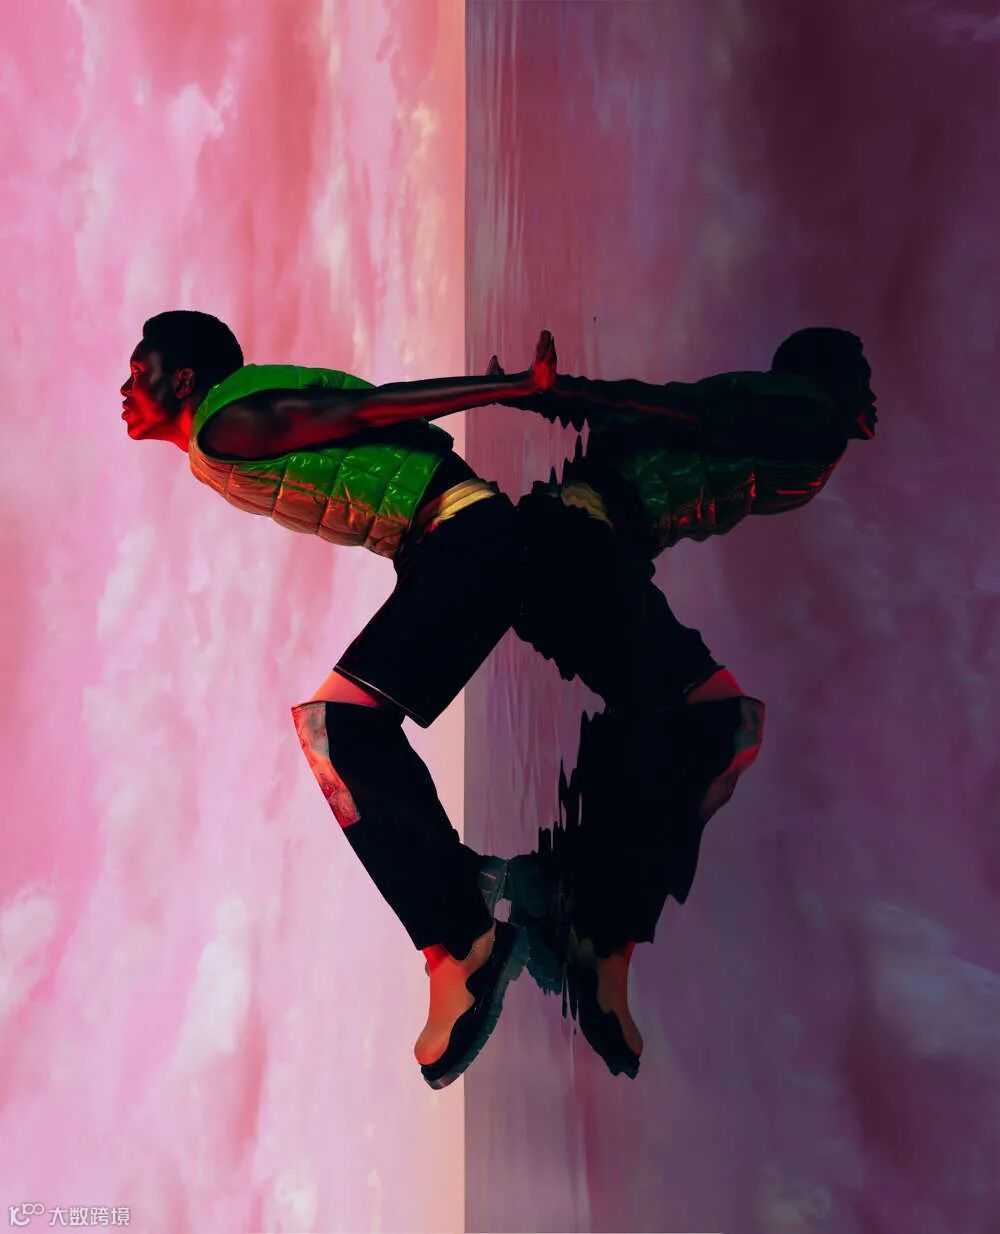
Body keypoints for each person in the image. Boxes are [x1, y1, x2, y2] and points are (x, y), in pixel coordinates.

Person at [121, 309, 563, 1089]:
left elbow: (366, 409)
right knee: (339, 728)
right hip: (451, 542)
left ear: (181, 379)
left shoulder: (227, 422)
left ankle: (463, 945)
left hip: (470, 537)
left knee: (337, 728)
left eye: (137, 372)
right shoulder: (216, 439)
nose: (124, 389)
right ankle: (473, 887)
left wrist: (509, 388)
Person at [483, 327, 878, 1077]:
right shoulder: (809, 415)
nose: (872, 391)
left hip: (573, 545)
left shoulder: (804, 438)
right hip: (576, 540)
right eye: (859, 372)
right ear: (823, 376)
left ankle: (568, 900)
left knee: (682, 726)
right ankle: (591, 933)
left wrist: (546, 397)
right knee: (720, 724)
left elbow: (660, 415)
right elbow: (672, 409)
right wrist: (553, 395)